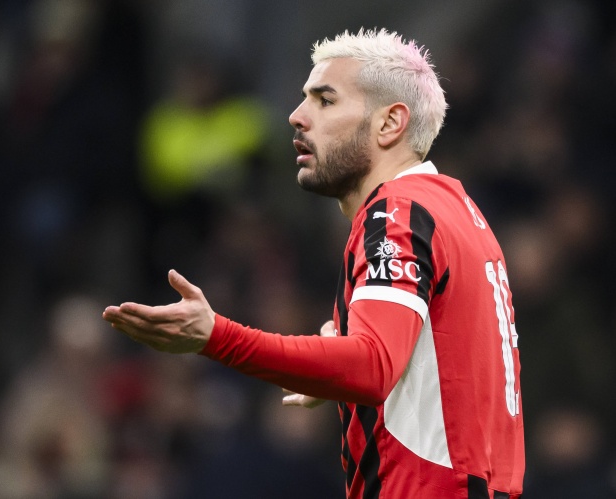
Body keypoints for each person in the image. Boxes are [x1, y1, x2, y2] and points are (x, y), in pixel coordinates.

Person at [103, 28, 525, 498]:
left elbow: (372, 365)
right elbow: (431, 369)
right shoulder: (458, 212)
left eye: (325, 100)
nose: (297, 116)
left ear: (390, 124)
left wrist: (215, 336)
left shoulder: (398, 212)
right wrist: (334, 363)